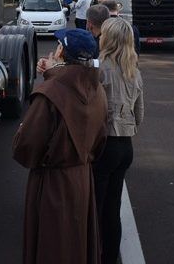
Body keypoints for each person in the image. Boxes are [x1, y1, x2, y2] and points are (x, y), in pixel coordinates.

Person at [13, 28, 108, 264]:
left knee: (53, 245)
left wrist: (50, 79)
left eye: (57, 46)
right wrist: (52, 75)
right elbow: (99, 140)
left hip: (53, 183)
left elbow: (26, 147)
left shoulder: (49, 94)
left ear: (63, 52)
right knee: (77, 243)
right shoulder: (97, 90)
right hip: (82, 177)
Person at [94, 18, 144, 264]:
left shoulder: (100, 69)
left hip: (105, 144)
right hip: (126, 146)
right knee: (112, 208)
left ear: (107, 38)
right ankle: (110, 258)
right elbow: (140, 114)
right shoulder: (134, 71)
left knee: (94, 207)